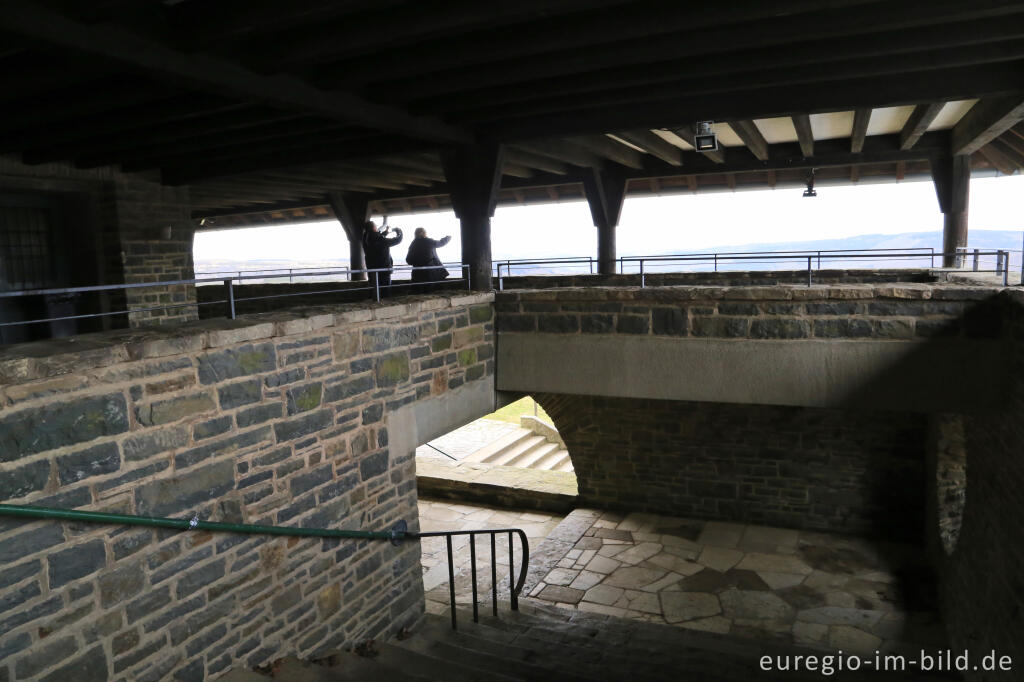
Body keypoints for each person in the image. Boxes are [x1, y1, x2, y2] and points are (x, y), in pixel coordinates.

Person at [361, 220, 402, 297]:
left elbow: (377, 238)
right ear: (373, 227)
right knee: (385, 292)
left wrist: (385, 233)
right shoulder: (379, 239)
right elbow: (397, 240)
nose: (377, 227)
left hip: (372, 269)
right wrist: (399, 231)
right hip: (383, 270)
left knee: (375, 290)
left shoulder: (365, 237)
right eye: (376, 226)